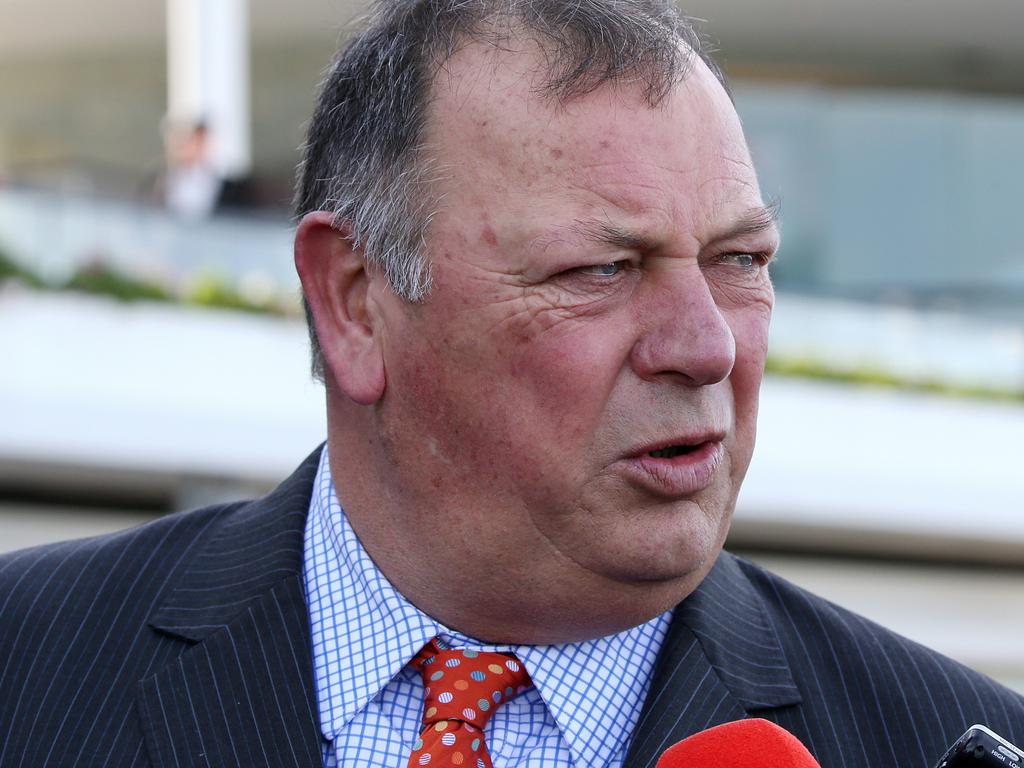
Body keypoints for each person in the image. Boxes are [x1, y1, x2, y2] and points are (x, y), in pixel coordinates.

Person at [2, 1, 1022, 766]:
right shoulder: (28, 668)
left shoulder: (943, 742)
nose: (706, 347)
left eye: (741, 261)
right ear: (355, 300)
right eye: (600, 270)